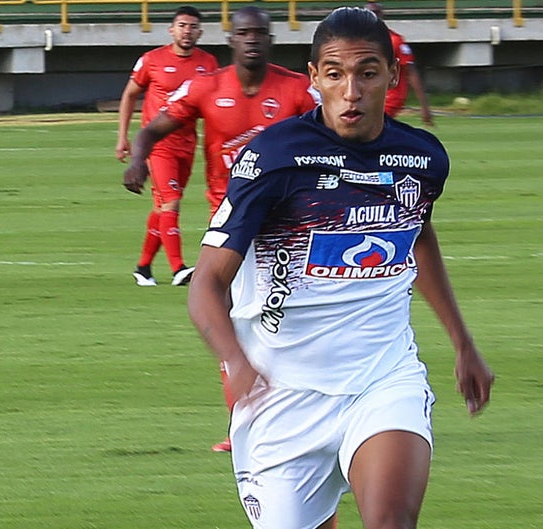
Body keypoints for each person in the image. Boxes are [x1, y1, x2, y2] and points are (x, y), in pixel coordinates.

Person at [187, 7, 493, 529]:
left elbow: (417, 232)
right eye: (335, 74)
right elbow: (206, 282)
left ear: (392, 76)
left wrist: (462, 343)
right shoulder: (275, 158)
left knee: (390, 520)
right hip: (281, 392)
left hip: (382, 377)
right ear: (314, 78)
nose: (351, 91)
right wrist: (235, 361)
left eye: (367, 73)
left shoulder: (422, 158)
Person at [123, 5, 319, 452]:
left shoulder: (295, 89)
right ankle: (239, 425)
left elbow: (338, 131)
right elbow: (152, 129)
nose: (252, 39)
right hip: (229, 226)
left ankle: (305, 415)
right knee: (226, 320)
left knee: (291, 322)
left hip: (289, 225)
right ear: (231, 39)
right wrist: (137, 159)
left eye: (259, 33)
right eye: (244, 33)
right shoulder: (208, 86)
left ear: (270, 40)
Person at [116, 5, 219, 287]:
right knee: (171, 201)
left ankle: (143, 268)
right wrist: (123, 137)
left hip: (187, 143)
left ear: (200, 32)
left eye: (193, 27)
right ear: (171, 30)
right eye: (182, 26)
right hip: (158, 145)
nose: (187, 31)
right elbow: (129, 95)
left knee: (162, 207)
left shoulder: (208, 63)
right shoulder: (152, 60)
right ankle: (178, 269)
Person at [366, 1, 434, 126]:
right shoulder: (360, 40)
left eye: (375, 12)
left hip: (390, 98)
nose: (373, 16)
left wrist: (424, 106)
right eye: (369, 13)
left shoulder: (395, 41)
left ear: (381, 14)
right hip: (369, 96)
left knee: (368, 127)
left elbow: (411, 72)